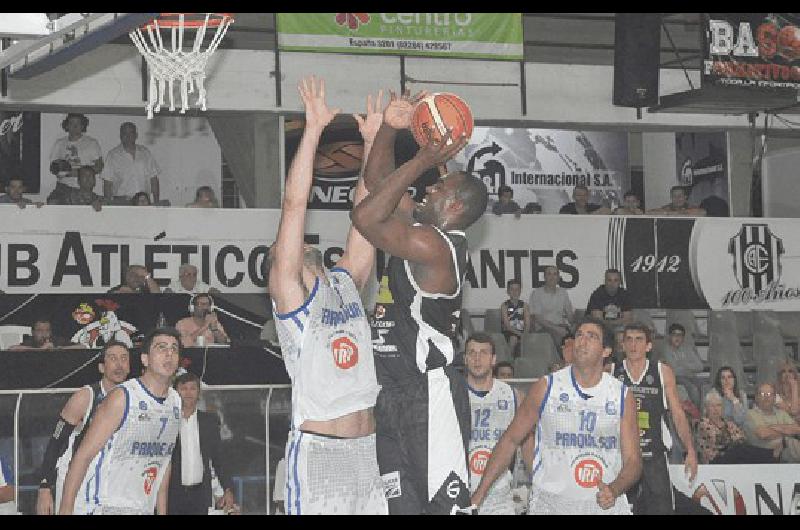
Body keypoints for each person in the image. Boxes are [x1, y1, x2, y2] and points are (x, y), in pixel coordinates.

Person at [351, 89, 488, 514]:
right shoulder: (422, 231)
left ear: (455, 205)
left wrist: (422, 160)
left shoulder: (438, 249)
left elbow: (365, 217)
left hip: (431, 398)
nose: (427, 191)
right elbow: (377, 186)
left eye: (437, 187)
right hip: (391, 393)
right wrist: (391, 129)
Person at [267, 77, 386, 515]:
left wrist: (372, 140)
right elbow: (294, 206)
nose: (295, 244)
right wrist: (314, 130)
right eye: (284, 249)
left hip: (366, 452)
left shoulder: (345, 283)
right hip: (320, 456)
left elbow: (368, 216)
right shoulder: (293, 298)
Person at [471, 318, 642, 515]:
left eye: (591, 336)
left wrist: (615, 488)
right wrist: (478, 496)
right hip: (551, 505)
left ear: (606, 351)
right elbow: (510, 440)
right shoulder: (547, 387)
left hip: (604, 506)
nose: (582, 341)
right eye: (579, 335)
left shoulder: (621, 394)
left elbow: (633, 460)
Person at [58, 327, 182, 515]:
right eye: (161, 347)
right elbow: (83, 456)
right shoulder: (123, 397)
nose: (169, 353)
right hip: (103, 505)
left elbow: (163, 461)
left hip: (141, 507)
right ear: (145, 359)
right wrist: (65, 509)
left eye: (174, 348)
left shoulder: (175, 401)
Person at [36, 341, 131, 515]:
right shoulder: (85, 397)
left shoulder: (133, 398)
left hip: (112, 482)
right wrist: (44, 487)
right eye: (113, 358)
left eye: (124, 359)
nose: (119, 364)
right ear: (102, 367)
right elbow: (56, 443)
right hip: (77, 483)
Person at [614, 322, 698, 515]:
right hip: (621, 458)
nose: (633, 345)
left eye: (639, 340)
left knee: (662, 510)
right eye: (629, 340)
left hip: (654, 455)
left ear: (649, 346)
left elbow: (677, 414)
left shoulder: (662, 372)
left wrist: (690, 450)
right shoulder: (611, 372)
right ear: (622, 345)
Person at [464, 332, 533, 515]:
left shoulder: (513, 396)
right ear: (465, 359)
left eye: (483, 353)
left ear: (493, 359)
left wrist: (538, 480)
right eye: (472, 353)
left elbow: (527, 443)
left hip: (500, 494)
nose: (477, 358)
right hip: (461, 492)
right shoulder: (453, 395)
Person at [168, 372, 238, 515]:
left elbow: (219, 458)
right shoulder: (167, 420)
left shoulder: (209, 421)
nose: (188, 393)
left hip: (200, 494)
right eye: (184, 388)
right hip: (172, 495)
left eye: (193, 388)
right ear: (175, 392)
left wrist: (228, 489)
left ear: (199, 392)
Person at [695, 390, 774, 465]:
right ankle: (772, 456)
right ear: (706, 408)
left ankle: (770, 458)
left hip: (732, 457)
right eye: (712, 406)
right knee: (739, 450)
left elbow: (742, 439)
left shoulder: (728, 423)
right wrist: (733, 439)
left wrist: (735, 441)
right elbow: (720, 442)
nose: (715, 409)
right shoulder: (703, 423)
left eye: (718, 405)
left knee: (743, 451)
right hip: (714, 460)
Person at [48, 113, 103, 204]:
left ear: (82, 126)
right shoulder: (59, 143)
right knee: (53, 204)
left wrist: (79, 174)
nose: (75, 126)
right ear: (67, 125)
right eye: (71, 123)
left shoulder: (92, 143)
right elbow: (53, 167)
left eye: (78, 123)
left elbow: (99, 166)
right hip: (63, 187)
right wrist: (65, 172)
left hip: (84, 189)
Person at [102, 122, 161, 203]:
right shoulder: (112, 155)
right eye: (125, 133)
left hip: (143, 202)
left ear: (136, 135)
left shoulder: (145, 152)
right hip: (122, 203)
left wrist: (156, 202)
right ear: (120, 136)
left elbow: (154, 179)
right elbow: (107, 183)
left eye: (131, 133)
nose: (128, 136)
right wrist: (108, 205)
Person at [744, 382, 800, 462]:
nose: (766, 397)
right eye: (763, 394)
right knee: (791, 443)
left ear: (774, 398)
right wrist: (786, 431)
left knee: (791, 445)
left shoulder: (782, 413)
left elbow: (797, 429)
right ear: (756, 397)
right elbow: (763, 434)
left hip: (785, 452)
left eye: (770, 394)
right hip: (761, 455)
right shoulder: (750, 414)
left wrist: (773, 428)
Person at [530, 265, 574, 349]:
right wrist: (557, 329)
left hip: (561, 326)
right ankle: (560, 361)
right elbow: (538, 319)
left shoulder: (563, 292)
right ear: (545, 277)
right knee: (558, 338)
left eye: (555, 274)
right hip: (544, 328)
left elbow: (570, 315)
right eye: (549, 274)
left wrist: (574, 326)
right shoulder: (537, 293)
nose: (552, 277)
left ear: (558, 278)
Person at [660, 323, 704, 408]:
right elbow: (674, 370)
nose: (677, 338)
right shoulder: (666, 349)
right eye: (674, 334)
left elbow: (700, 366)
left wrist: (683, 364)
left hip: (690, 377)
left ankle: (704, 413)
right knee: (693, 389)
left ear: (683, 337)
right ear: (669, 336)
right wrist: (689, 367)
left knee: (705, 386)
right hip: (674, 377)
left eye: (680, 335)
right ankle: (697, 415)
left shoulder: (687, 349)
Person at [500, 279, 531, 357]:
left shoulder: (524, 305)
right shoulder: (504, 305)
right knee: (513, 338)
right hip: (509, 332)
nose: (514, 292)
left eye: (517, 289)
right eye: (512, 289)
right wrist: (519, 334)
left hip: (522, 332)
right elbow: (507, 325)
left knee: (528, 340)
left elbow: (527, 323)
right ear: (508, 291)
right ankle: (510, 360)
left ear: (520, 291)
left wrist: (525, 334)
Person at [8, 318, 78, 350]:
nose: (44, 333)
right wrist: (41, 349)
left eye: (47, 330)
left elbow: (82, 346)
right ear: (33, 332)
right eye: (40, 330)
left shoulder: (56, 340)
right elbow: (12, 348)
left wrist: (58, 348)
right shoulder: (30, 341)